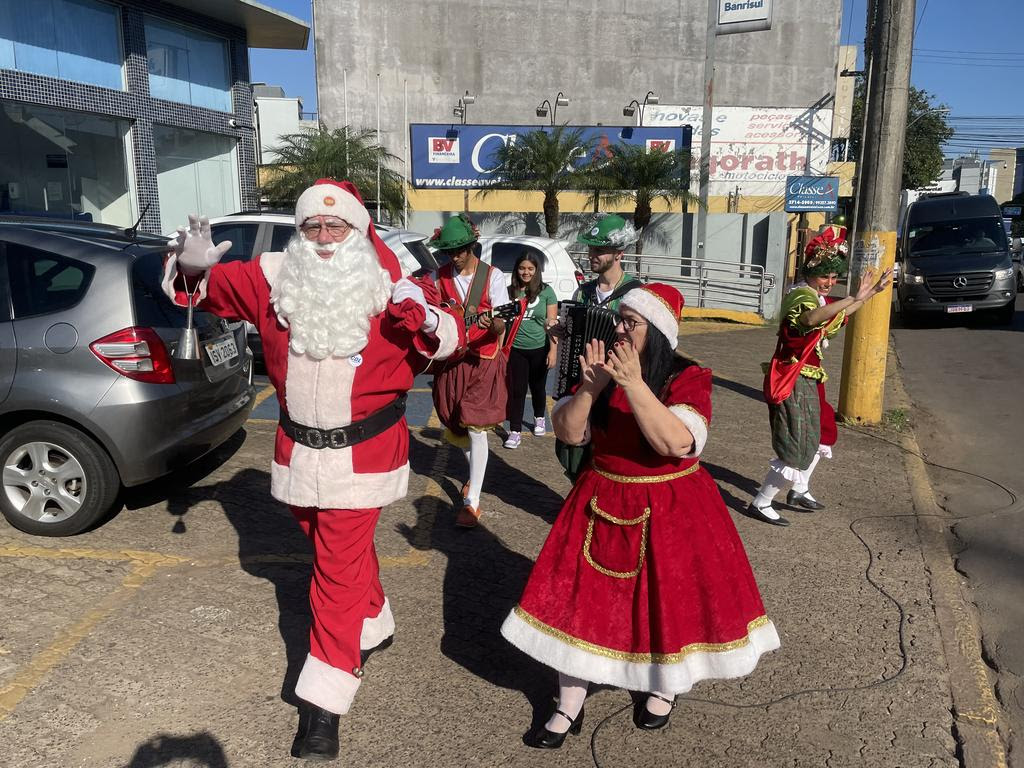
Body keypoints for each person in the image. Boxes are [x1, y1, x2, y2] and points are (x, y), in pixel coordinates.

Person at [162, 178, 460, 760]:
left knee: (334, 574)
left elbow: (452, 337)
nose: (324, 237)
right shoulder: (273, 279)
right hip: (297, 455)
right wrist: (188, 266)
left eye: (336, 226)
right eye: (311, 226)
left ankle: (323, 702)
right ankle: (374, 618)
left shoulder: (392, 283)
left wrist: (426, 317)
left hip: (364, 455)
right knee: (324, 544)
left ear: (357, 229)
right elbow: (197, 289)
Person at [501, 283, 779, 748]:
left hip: (672, 504)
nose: (620, 330)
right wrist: (590, 390)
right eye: (620, 320)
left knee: (666, 600)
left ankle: (663, 686)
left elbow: (677, 443)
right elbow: (569, 437)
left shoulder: (688, 376)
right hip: (602, 495)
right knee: (579, 603)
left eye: (632, 323)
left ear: (660, 333)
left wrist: (632, 385)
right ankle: (568, 702)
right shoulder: (604, 367)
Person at [747, 226, 892, 526]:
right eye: (824, 275)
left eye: (833, 276)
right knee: (797, 443)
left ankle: (799, 489)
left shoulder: (817, 297)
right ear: (811, 273)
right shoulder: (801, 296)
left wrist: (868, 294)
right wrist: (853, 296)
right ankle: (761, 501)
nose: (829, 282)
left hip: (809, 377)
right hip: (792, 377)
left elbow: (835, 317)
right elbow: (811, 319)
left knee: (824, 432)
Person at [429, 214, 509, 528]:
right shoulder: (439, 277)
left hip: (483, 359)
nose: (456, 256)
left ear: (472, 245)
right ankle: (472, 478)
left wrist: (495, 322)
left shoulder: (494, 277)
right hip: (452, 360)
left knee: (476, 425)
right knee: (455, 422)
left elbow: (503, 321)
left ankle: (472, 501)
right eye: (450, 251)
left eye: (461, 249)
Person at [503, 250, 558, 449]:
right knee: (516, 390)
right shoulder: (510, 291)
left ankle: (539, 417)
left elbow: (552, 323)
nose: (526, 273)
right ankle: (515, 430)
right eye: (522, 268)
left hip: (539, 348)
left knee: (537, 387)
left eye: (530, 269)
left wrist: (553, 351)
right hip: (516, 349)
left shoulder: (546, 292)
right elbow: (502, 322)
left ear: (537, 270)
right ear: (516, 270)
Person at [573, 213, 642, 309]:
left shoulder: (636, 293)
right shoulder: (583, 293)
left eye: (599, 250)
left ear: (619, 253)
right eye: (590, 249)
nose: (591, 255)